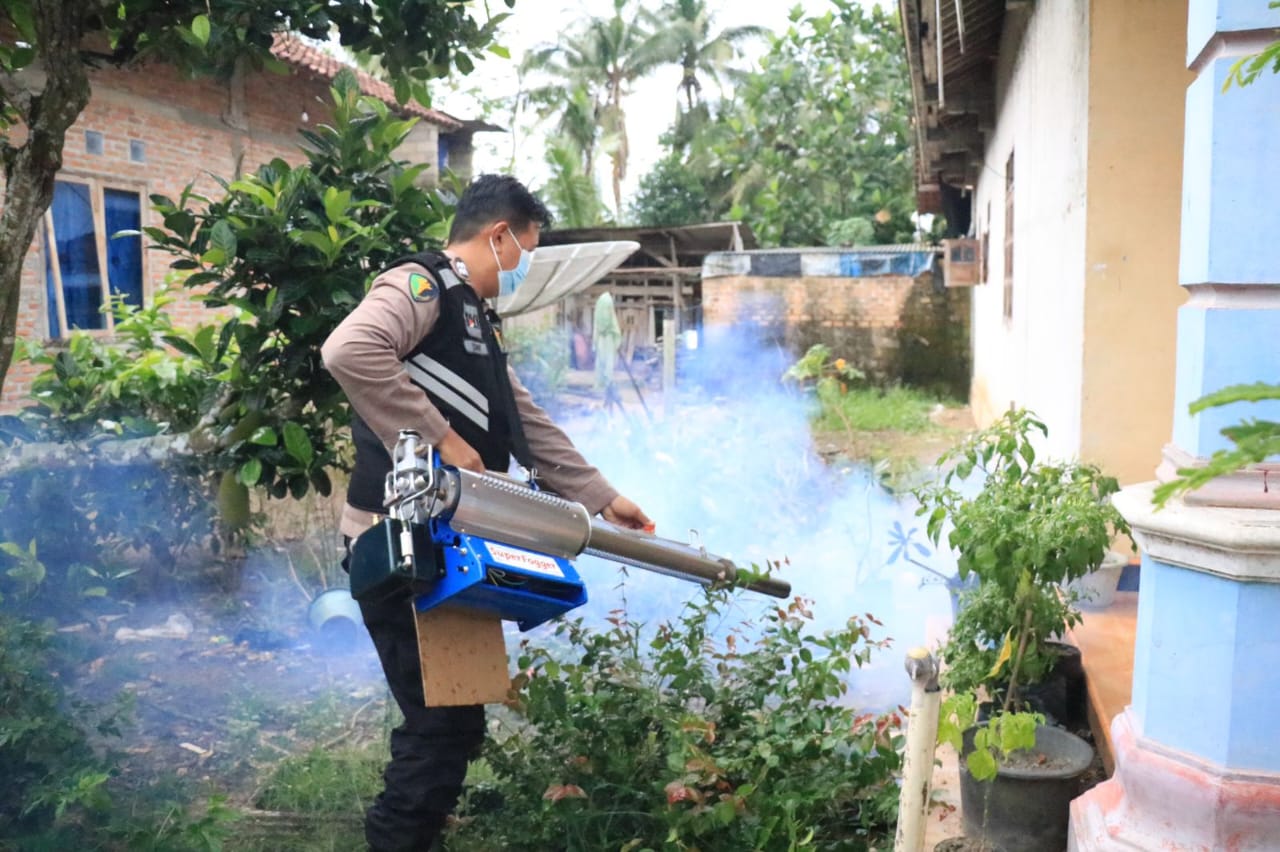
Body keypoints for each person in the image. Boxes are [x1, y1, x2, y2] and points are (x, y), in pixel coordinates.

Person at [320, 174, 651, 852]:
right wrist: (441, 439)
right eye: (526, 249)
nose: (523, 266)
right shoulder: (421, 288)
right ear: (498, 236)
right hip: (399, 547)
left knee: (455, 718)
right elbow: (348, 350)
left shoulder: (475, 316)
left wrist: (600, 495)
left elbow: (522, 417)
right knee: (440, 725)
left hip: (445, 547)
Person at [592, 290, 622, 393]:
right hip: (609, 339)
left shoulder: (599, 305)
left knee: (600, 361)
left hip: (600, 339)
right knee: (609, 362)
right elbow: (614, 325)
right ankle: (607, 385)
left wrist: (595, 343)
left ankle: (600, 384)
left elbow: (596, 328)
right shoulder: (608, 302)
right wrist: (617, 338)